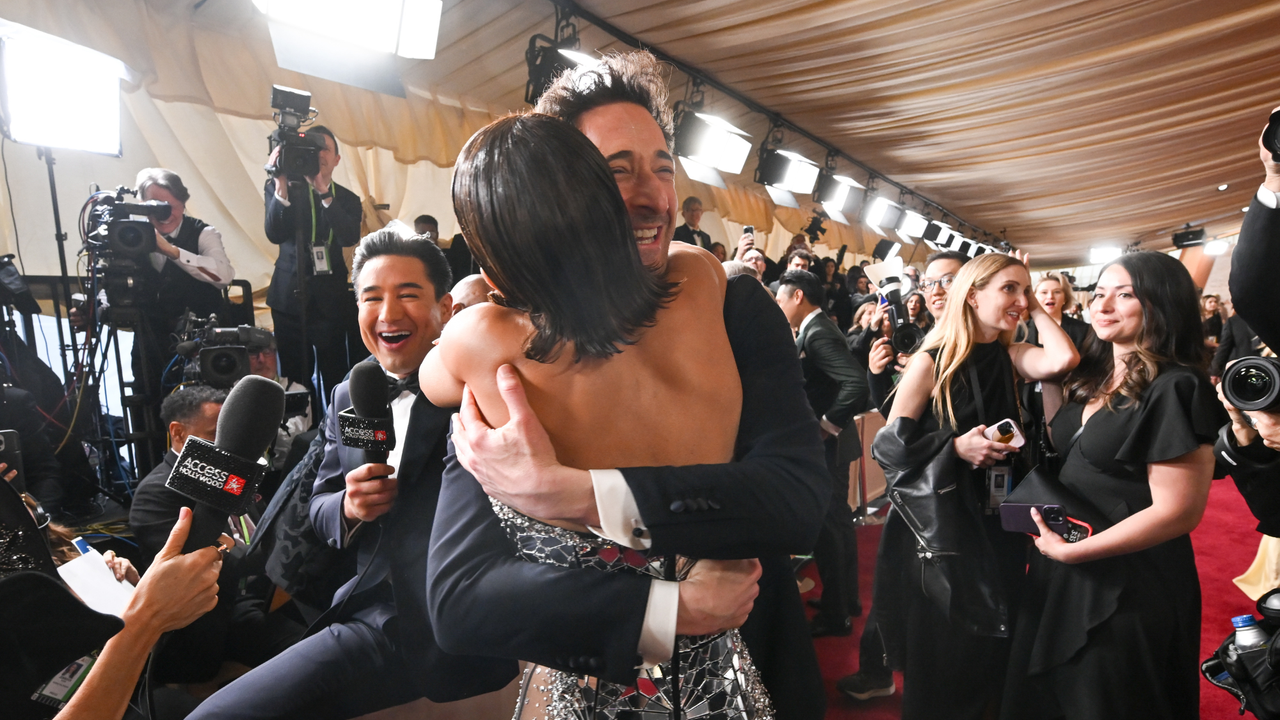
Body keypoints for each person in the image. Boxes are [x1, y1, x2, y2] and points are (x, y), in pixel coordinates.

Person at [429, 52, 829, 719]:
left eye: (664, 168)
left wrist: (581, 494)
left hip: (757, 663)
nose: (655, 196)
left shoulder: (728, 303)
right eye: (616, 172)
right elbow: (464, 600)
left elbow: (795, 502)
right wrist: (670, 613)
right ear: (566, 191)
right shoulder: (701, 279)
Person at [188, 231, 517, 719]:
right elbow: (317, 503)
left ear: (445, 308)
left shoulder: (481, 391)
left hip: (459, 627)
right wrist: (347, 506)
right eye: (372, 298)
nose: (388, 313)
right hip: (366, 613)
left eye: (408, 294)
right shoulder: (351, 392)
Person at [1003, 251, 1225, 720]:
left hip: (1130, 583)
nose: (1103, 306)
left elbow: (1178, 512)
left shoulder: (1177, 386)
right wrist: (1037, 313)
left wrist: (1075, 553)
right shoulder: (1094, 374)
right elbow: (1069, 441)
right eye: (1099, 292)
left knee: (1108, 701)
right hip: (1067, 565)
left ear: (1160, 303)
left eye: (1124, 294)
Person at [870, 253, 1078, 720]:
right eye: (1009, 289)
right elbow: (891, 448)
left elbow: (1063, 359)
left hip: (997, 520)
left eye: (1024, 291)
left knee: (990, 649)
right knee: (945, 652)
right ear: (973, 293)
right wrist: (955, 449)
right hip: (943, 526)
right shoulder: (932, 360)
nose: (1020, 301)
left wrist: (1037, 307)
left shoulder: (1009, 355)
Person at [838, 249, 972, 703]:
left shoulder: (978, 348)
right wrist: (878, 378)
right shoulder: (928, 343)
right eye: (929, 283)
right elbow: (896, 427)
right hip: (917, 490)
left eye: (948, 281)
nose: (935, 291)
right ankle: (884, 672)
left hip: (957, 495)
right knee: (895, 588)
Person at [774, 269, 868, 638]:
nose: (779, 305)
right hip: (838, 444)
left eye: (781, 298)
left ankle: (836, 615)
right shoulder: (819, 329)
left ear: (798, 296)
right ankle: (845, 601)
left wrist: (825, 425)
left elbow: (855, 382)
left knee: (830, 528)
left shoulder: (816, 333)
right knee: (839, 524)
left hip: (830, 444)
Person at [131, 169, 235, 458]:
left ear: (183, 203)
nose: (164, 214)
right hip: (150, 340)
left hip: (199, 343)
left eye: (170, 206)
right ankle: (155, 471)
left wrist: (173, 251)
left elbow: (223, 275)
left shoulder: (203, 232)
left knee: (203, 409)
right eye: (155, 206)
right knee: (150, 405)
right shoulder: (131, 237)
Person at [264, 125, 363, 402]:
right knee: (296, 377)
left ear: (336, 159)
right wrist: (280, 184)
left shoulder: (347, 198)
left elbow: (348, 236)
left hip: (330, 299)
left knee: (336, 373)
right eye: (313, 148)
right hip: (288, 298)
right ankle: (300, 438)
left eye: (326, 149)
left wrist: (323, 192)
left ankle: (339, 435)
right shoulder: (282, 188)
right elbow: (273, 233)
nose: (319, 154)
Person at [247, 331, 313, 476]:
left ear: (276, 354)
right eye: (253, 353)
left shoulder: (296, 391)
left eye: (267, 352)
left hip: (284, 475)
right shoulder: (234, 391)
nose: (261, 359)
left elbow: (289, 441)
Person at [1028, 271, 1091, 350]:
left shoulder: (1082, 330)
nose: (1050, 296)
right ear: (1035, 298)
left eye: (1057, 292)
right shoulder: (1022, 330)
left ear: (1065, 298)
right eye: (1044, 292)